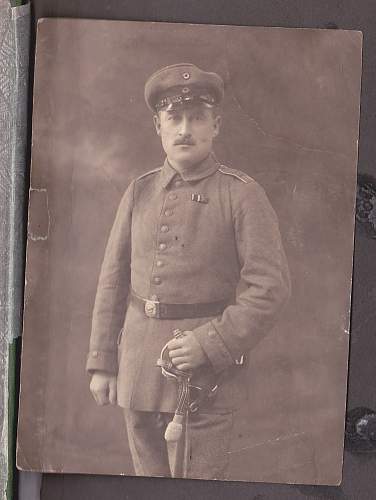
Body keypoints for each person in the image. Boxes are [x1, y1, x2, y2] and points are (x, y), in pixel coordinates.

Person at [87, 63, 291, 480]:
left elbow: (269, 288)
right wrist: (103, 362)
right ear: (157, 126)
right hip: (138, 373)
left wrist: (211, 342)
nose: (184, 129)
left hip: (206, 377)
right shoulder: (139, 190)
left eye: (197, 118)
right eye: (174, 118)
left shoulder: (241, 193)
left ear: (216, 125)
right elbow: (113, 281)